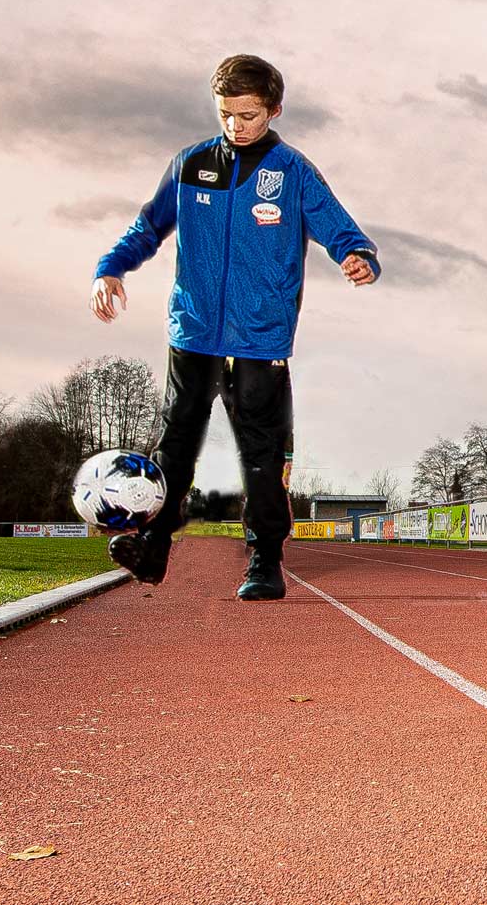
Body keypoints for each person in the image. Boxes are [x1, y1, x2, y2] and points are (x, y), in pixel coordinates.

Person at [88, 54, 380, 601]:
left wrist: (357, 255)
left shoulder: (293, 172)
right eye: (226, 114)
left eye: (247, 115)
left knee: (262, 453)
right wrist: (111, 268)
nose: (235, 126)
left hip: (260, 335)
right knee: (175, 444)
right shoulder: (190, 163)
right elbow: (147, 226)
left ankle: (265, 559)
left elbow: (339, 228)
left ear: (274, 109)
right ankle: (152, 548)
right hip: (193, 329)